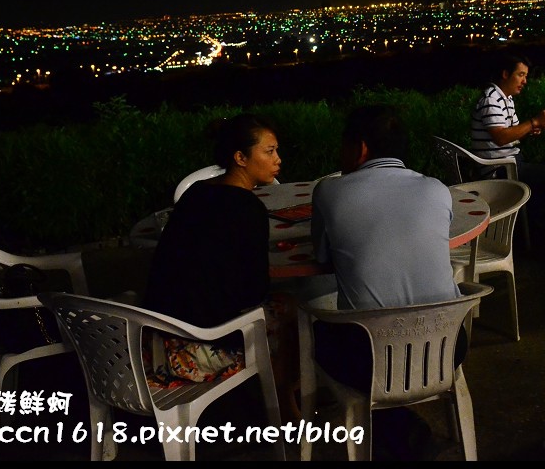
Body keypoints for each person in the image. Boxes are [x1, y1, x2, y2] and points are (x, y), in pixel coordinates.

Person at [311, 104, 460, 459]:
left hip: (369, 361)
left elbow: (322, 260)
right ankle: (402, 429)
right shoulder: (438, 189)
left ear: (361, 148)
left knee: (318, 330)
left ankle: (389, 430)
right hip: (447, 347)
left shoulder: (329, 192)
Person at [144, 113, 298, 416]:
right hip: (194, 352)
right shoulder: (247, 208)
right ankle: (281, 404)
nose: (278, 159)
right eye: (269, 152)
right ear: (240, 157)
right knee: (290, 311)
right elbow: (254, 292)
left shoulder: (196, 194)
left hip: (155, 338)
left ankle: (271, 396)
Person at [470, 53, 545, 238]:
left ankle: (535, 229)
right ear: (505, 74)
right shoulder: (491, 99)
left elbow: (511, 134)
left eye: (526, 75)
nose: (525, 81)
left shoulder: (506, 99)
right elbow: (501, 137)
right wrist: (533, 122)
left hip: (509, 162)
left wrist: (531, 129)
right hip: (497, 168)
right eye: (521, 75)